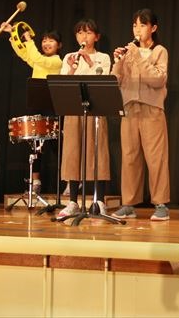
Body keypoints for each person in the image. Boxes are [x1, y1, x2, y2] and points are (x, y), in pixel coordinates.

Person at [111, 9, 170, 221]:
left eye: (143, 25)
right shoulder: (129, 52)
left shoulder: (159, 51)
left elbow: (157, 80)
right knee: (129, 157)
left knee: (156, 157)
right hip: (129, 109)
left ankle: (161, 204)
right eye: (135, 25)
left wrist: (137, 56)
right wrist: (118, 62)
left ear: (153, 28)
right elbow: (114, 81)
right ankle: (129, 203)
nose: (138, 29)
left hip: (151, 109)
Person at [56, 19, 112, 219]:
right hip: (74, 110)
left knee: (98, 153)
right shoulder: (69, 57)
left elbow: (104, 80)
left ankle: (99, 201)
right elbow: (63, 84)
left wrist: (90, 64)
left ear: (96, 37)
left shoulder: (103, 58)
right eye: (80, 33)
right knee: (73, 153)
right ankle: (72, 201)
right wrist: (72, 68)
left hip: (95, 111)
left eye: (88, 33)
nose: (84, 37)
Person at [0, 22, 63, 194]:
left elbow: (36, 58)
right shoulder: (39, 61)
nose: (46, 43)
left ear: (59, 45)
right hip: (37, 104)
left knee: (57, 145)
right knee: (35, 144)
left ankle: (69, 181)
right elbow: (24, 54)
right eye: (44, 40)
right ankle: (36, 181)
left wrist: (29, 40)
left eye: (51, 40)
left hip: (52, 105)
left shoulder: (57, 61)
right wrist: (13, 33)